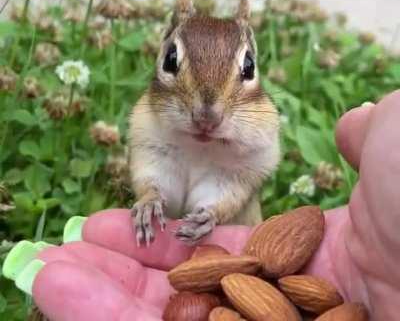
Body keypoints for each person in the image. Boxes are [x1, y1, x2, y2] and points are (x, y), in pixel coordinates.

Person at [19, 91, 400, 320]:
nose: (207, 115)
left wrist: (216, 211)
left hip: (237, 242)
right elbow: (150, 161)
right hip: (183, 252)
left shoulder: (255, 120)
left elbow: (244, 176)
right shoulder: (151, 120)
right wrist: (151, 195)